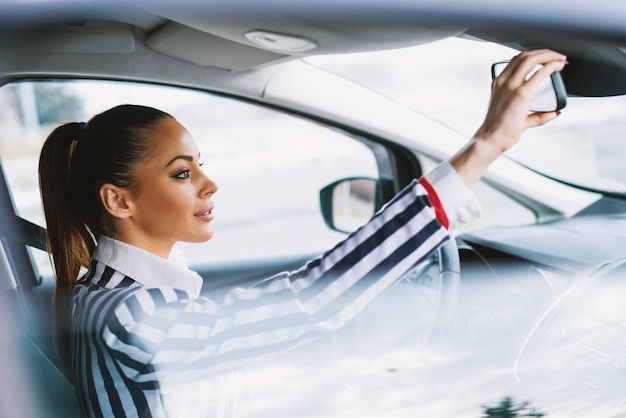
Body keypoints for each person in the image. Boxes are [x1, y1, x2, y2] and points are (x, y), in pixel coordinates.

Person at [38, 49, 567, 417]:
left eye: (201, 165)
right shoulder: (130, 313)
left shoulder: (111, 297)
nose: (209, 183)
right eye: (182, 172)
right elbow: (309, 302)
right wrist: (488, 144)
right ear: (118, 199)